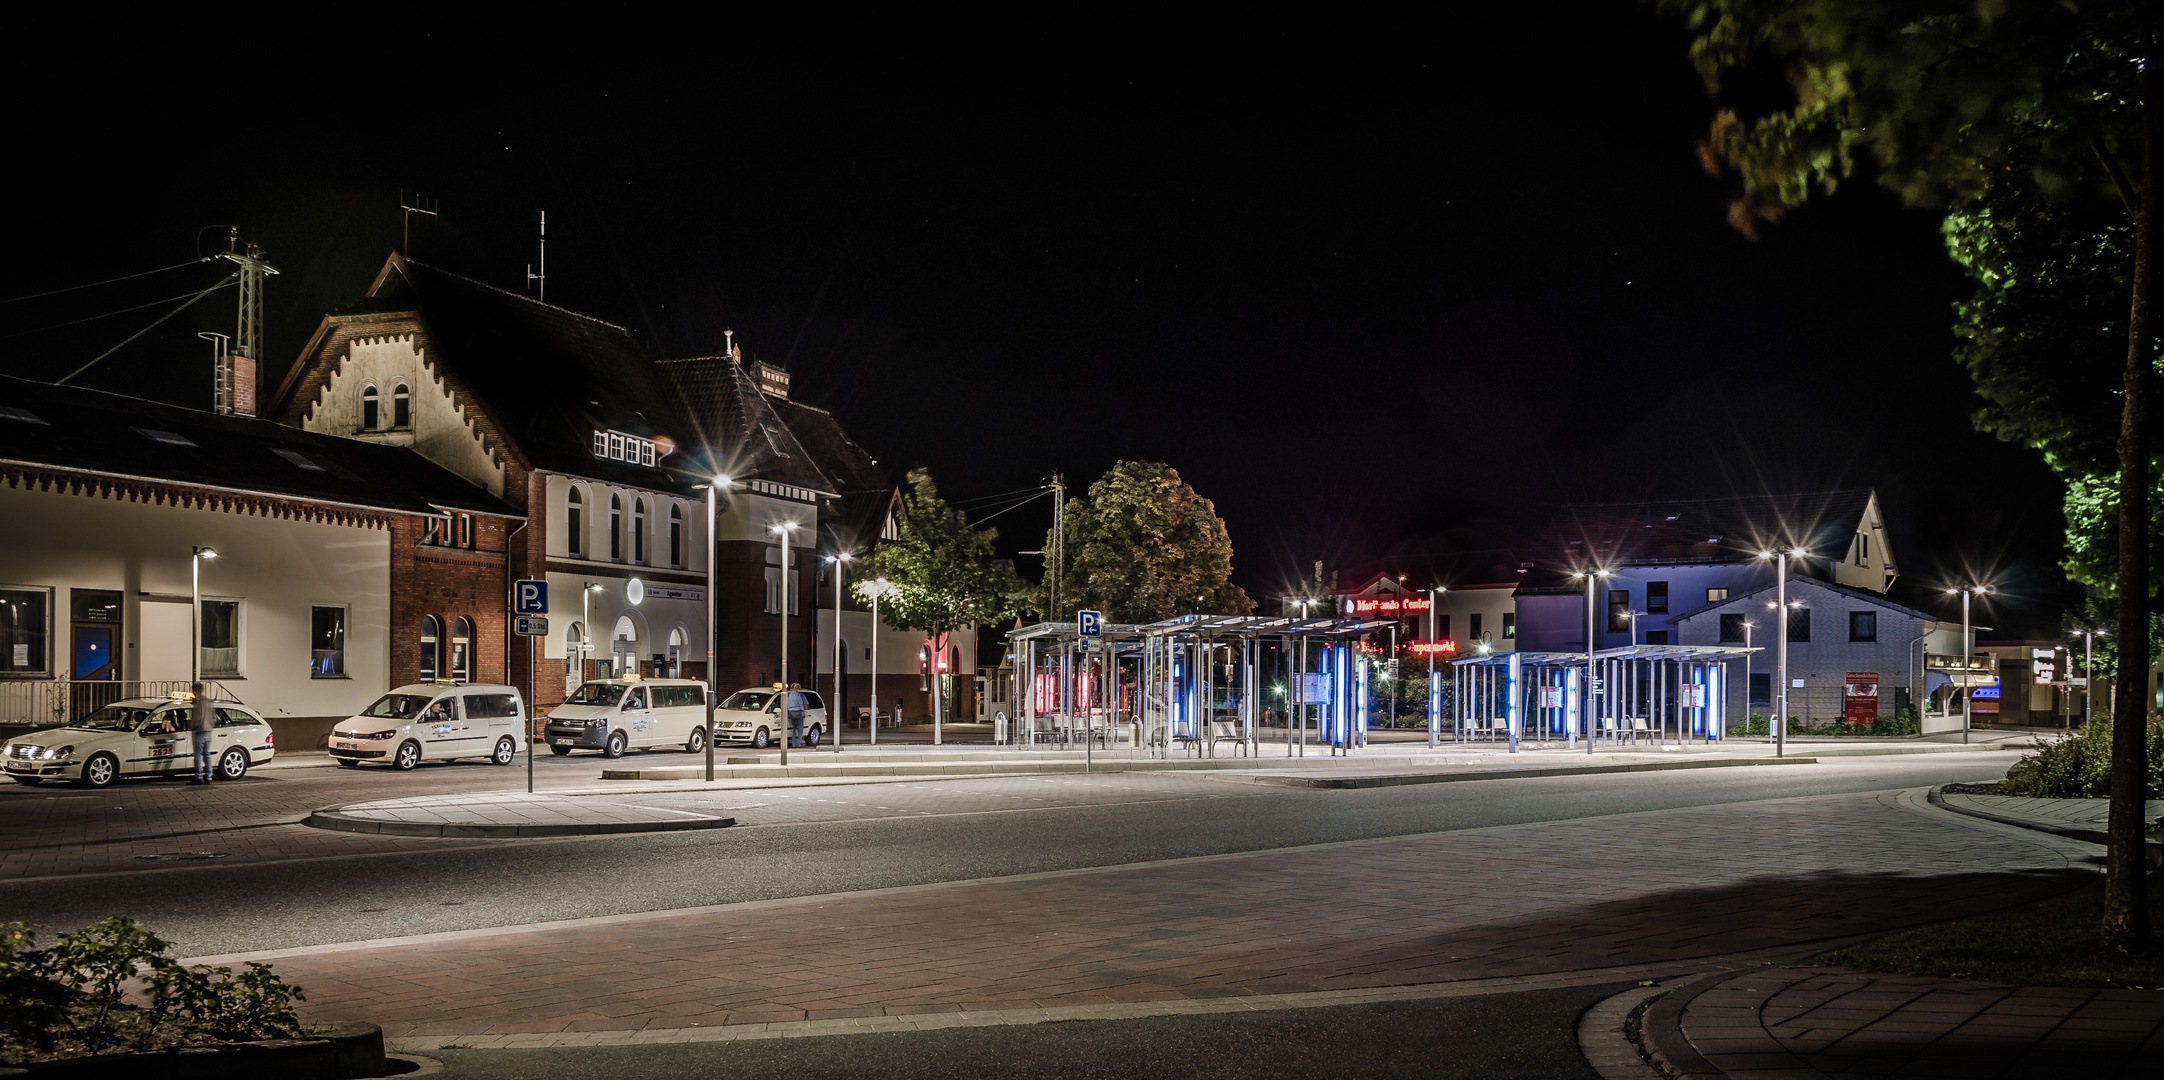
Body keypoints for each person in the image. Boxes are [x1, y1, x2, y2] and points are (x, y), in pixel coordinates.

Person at [188, 682, 215, 785]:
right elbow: (213, 717)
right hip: (208, 731)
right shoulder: (209, 702)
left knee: (198, 755)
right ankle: (209, 777)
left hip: (199, 731)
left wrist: (192, 726)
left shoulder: (198, 703)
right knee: (207, 755)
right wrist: (210, 726)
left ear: (195, 691)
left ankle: (198, 777)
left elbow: (197, 718)